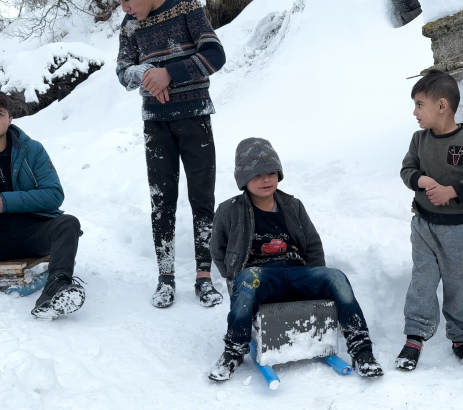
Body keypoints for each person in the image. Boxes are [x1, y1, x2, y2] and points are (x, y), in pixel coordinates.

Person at [208, 138, 384, 381]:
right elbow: (217, 249)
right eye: (258, 175)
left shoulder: (292, 205)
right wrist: (236, 281)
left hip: (297, 274)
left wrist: (314, 278)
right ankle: (233, 351)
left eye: (271, 172)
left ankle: (361, 350)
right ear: (243, 179)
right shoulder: (229, 211)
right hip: (262, 278)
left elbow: (312, 245)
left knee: (336, 276)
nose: (266, 179)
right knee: (248, 277)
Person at [116, 0, 226, 308]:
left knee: (202, 197)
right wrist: (147, 73)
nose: (124, 7)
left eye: (127, 0)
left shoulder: (187, 7)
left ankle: (203, 276)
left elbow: (216, 54)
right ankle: (165, 277)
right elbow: (123, 72)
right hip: (156, 122)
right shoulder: (130, 25)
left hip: (194, 116)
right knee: (161, 199)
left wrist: (170, 74)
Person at [397, 70, 463, 370]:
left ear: (441, 106)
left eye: (419, 104)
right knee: (422, 282)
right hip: (423, 225)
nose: (415, 112)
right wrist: (421, 181)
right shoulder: (418, 139)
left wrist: (452, 191)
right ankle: (415, 336)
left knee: (460, 284)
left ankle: (462, 339)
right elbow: (406, 170)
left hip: (459, 230)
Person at [0, 93, 84, 320]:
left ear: (10, 119)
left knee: (68, 224)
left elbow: (54, 195)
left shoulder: (31, 150)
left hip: (32, 230)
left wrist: (5, 201)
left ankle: (56, 286)